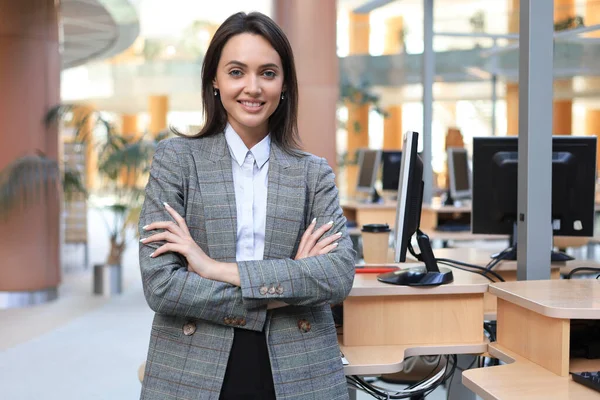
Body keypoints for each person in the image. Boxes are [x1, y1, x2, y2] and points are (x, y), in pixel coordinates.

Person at [138, 11, 356, 400]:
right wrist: (290, 284)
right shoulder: (176, 160)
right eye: (236, 72)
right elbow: (162, 285)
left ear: (284, 84)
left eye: (267, 73)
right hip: (195, 357)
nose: (252, 87)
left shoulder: (312, 173)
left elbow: (338, 275)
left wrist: (212, 268)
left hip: (298, 359)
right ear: (215, 82)